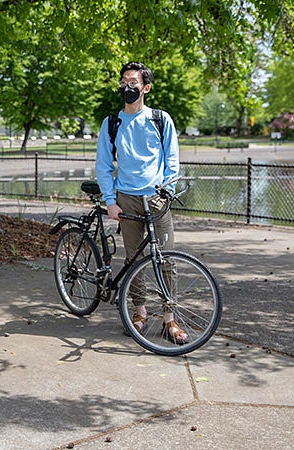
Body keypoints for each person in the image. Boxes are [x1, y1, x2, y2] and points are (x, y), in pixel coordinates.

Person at [95, 61, 187, 344]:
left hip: (157, 198)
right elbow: (103, 165)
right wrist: (110, 201)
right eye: (124, 81)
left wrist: (166, 190)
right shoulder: (111, 123)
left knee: (166, 259)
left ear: (145, 87)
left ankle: (169, 320)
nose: (127, 86)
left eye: (133, 82)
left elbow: (172, 161)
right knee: (134, 258)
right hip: (127, 199)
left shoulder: (160, 119)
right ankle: (140, 312)